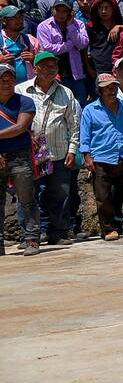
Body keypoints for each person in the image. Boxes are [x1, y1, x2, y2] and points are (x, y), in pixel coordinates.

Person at [16, 52, 81, 247]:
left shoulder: (66, 92)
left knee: (60, 193)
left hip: (59, 152)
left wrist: (72, 150)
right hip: (29, 154)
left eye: (53, 66)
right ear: (35, 69)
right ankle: (30, 235)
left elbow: (74, 125)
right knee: (28, 194)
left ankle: (58, 232)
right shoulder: (21, 90)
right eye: (45, 66)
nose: (50, 69)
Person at [81, 73, 123, 242]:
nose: (112, 90)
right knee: (103, 197)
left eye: (114, 87)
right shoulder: (90, 110)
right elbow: (85, 135)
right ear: (99, 90)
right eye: (107, 88)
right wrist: (86, 156)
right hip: (101, 159)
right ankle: (109, 229)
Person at [0, 64, 38, 255]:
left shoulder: (25, 101)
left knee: (26, 199)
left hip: (19, 156)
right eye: (2, 80)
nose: (7, 83)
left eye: (10, 79)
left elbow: (21, 127)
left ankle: (31, 239)